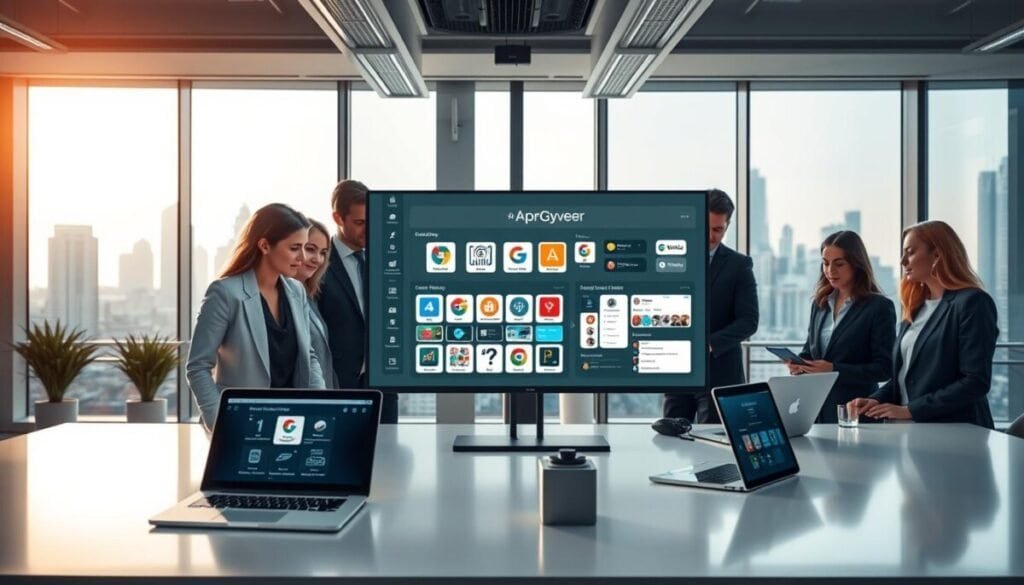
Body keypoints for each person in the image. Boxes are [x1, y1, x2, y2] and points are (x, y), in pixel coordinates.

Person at [187, 203, 326, 429]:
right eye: (294, 248)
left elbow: (308, 355)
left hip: (292, 423)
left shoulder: (296, 290)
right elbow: (198, 367)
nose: (302, 257)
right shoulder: (225, 293)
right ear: (264, 245)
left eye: (304, 247)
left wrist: (321, 406)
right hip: (242, 424)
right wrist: (220, 423)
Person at [848, 221, 998, 428]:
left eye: (910, 252)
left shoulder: (973, 303)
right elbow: (906, 377)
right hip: (912, 430)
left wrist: (910, 410)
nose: (902, 261)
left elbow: (975, 381)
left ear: (937, 255)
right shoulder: (916, 308)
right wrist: (876, 399)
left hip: (958, 432)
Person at [664, 189, 758, 423]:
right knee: (673, 441)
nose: (710, 236)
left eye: (718, 229)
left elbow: (749, 321)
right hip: (679, 370)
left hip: (721, 372)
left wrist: (709, 345)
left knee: (715, 447)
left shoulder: (739, 265)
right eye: (706, 227)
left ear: (728, 225)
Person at [789, 231, 896, 423]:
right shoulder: (820, 304)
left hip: (856, 410)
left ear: (856, 264)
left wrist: (834, 369)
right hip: (817, 409)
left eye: (839, 264)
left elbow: (884, 368)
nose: (830, 271)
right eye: (825, 263)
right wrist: (800, 363)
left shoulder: (878, 307)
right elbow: (810, 350)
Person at [319, 179, 399, 423]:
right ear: (338, 218)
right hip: (337, 385)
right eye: (359, 223)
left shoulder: (387, 258)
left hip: (383, 387)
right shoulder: (318, 263)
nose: (368, 229)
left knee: (387, 456)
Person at [296, 217, 337, 389]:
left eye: (323, 252)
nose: (318, 259)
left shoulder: (309, 297)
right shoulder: (278, 297)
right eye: (311, 249)